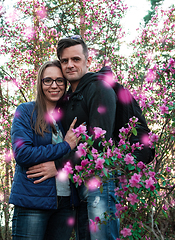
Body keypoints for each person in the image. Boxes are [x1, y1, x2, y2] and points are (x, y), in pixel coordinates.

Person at [27, 36, 119, 240]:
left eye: (76, 59)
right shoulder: (70, 97)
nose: (70, 65)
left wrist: (58, 165)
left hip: (99, 181)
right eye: (64, 60)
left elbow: (98, 141)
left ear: (87, 60)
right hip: (79, 186)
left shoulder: (99, 88)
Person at [10, 60, 80, 240]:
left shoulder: (68, 118)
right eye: (48, 80)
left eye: (59, 80)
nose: (54, 85)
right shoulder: (26, 111)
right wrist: (64, 146)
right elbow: (23, 154)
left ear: (65, 84)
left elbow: (80, 155)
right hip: (33, 201)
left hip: (65, 204)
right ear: (40, 83)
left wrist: (57, 166)